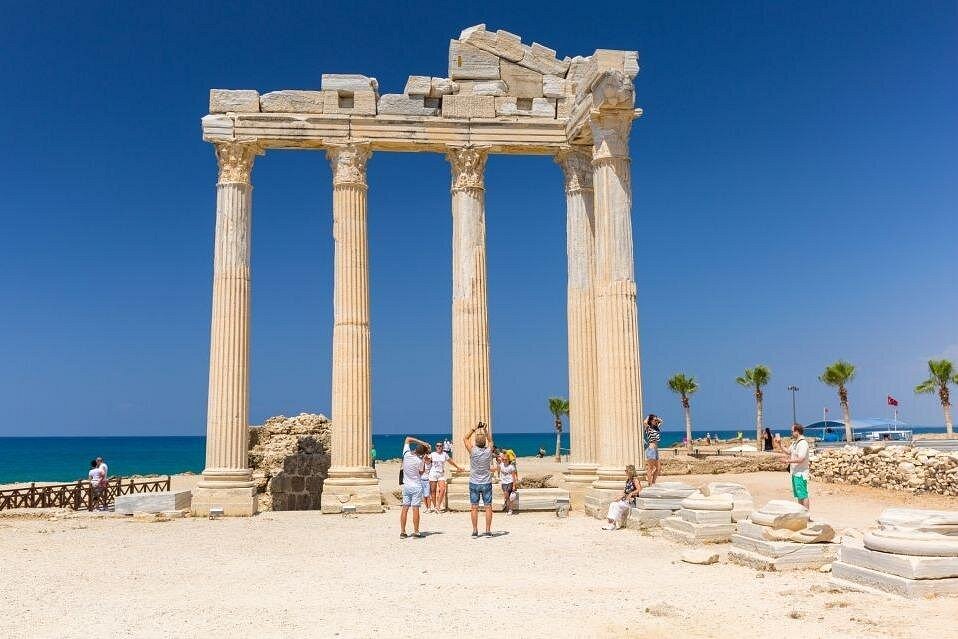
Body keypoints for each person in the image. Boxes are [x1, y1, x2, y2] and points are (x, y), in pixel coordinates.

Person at [464, 422, 495, 537]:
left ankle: (475, 530)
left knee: (474, 507)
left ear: (476, 442)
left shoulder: (472, 451)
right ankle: (487, 530)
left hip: (474, 482)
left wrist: (474, 428)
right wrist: (485, 430)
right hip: (486, 482)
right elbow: (491, 441)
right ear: (484, 442)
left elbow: (465, 438)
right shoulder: (488, 451)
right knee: (488, 507)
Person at [400, 436, 430, 538]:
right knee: (415, 509)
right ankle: (416, 532)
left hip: (406, 486)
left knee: (405, 508)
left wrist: (422, 442)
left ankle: (403, 532)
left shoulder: (406, 454)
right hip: (416, 486)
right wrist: (424, 460)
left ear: (415, 449)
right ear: (422, 454)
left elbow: (408, 439)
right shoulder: (419, 461)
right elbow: (421, 472)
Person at [778, 423, 810, 509]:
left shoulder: (803, 443)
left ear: (797, 431)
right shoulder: (795, 443)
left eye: (792, 431)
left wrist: (787, 461)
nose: (791, 433)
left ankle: (806, 515)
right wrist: (780, 444)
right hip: (795, 473)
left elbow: (801, 458)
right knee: (799, 495)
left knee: (803, 495)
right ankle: (801, 514)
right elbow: (788, 452)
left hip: (801, 473)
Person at [602, 465, 641, 530]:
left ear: (630, 471)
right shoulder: (628, 480)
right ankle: (609, 523)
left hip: (632, 501)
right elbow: (624, 492)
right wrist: (619, 498)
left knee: (617, 506)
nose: (625, 472)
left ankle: (613, 524)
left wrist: (631, 493)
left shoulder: (635, 480)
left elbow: (639, 489)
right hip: (625, 500)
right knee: (613, 504)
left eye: (626, 470)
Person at [429, 441, 462, 513]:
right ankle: (435, 507)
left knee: (443, 489)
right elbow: (427, 462)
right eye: (437, 446)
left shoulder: (445, 454)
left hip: (441, 474)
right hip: (433, 474)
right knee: (433, 491)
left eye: (440, 446)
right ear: (435, 447)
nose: (439, 447)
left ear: (443, 447)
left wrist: (457, 467)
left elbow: (451, 461)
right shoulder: (432, 454)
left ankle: (438, 505)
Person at [497, 450, 519, 514]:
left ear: (508, 460)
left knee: (508, 496)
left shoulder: (511, 467)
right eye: (503, 459)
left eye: (505, 459)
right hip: (503, 483)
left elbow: (513, 477)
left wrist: (514, 485)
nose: (504, 460)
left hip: (510, 482)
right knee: (506, 496)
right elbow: (496, 469)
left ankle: (510, 509)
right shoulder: (501, 465)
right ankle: (508, 508)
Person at [644, 414, 662, 486]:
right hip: (651, 449)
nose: (655, 421)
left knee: (658, 468)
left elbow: (661, 421)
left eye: (656, 420)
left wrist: (657, 419)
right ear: (650, 421)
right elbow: (645, 422)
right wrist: (649, 416)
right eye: (654, 420)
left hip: (656, 450)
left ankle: (653, 482)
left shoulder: (656, 428)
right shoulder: (648, 428)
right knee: (650, 468)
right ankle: (650, 483)